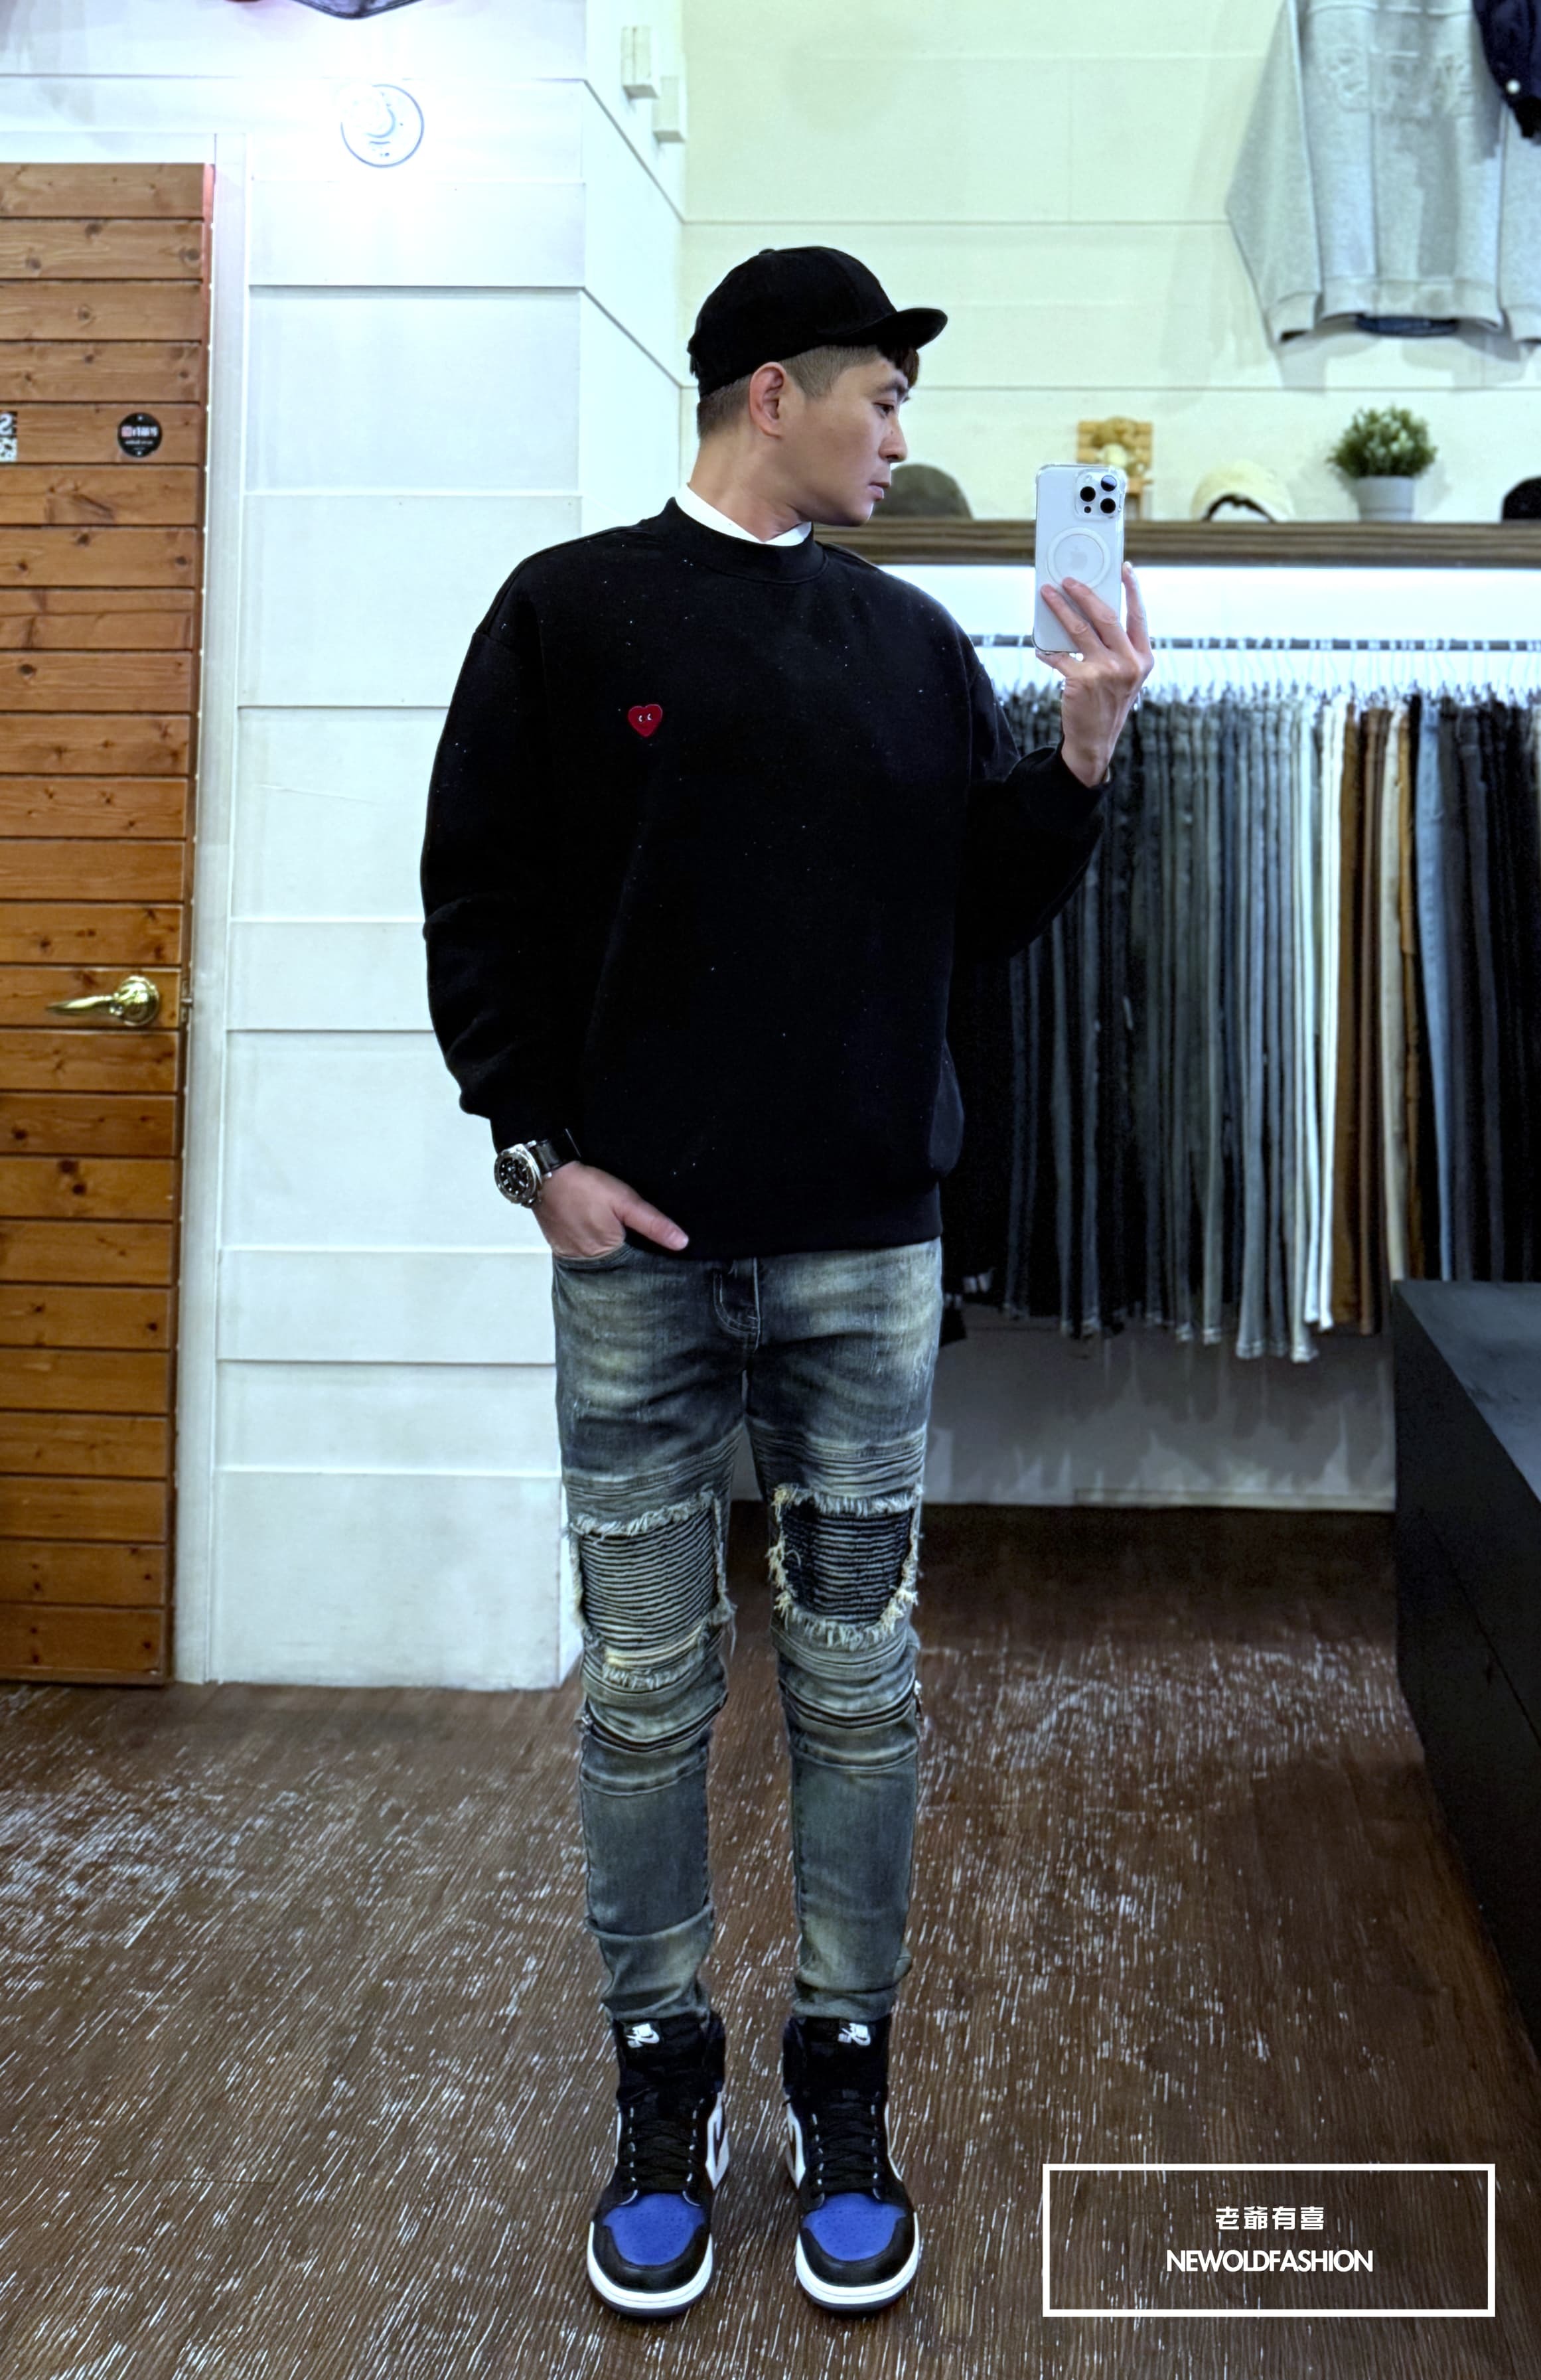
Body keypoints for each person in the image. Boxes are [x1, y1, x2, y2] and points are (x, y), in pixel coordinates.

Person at [420, 244, 1152, 2322]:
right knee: (645, 1691)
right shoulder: (567, 614)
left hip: (860, 1256)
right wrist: (534, 1152)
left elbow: (972, 913)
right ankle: (663, 2090)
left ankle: (844, 2085)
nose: (900, 438)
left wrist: (1080, 749)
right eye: (878, 398)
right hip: (639, 1260)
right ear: (771, 393)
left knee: (858, 1684)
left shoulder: (906, 645)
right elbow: (478, 897)